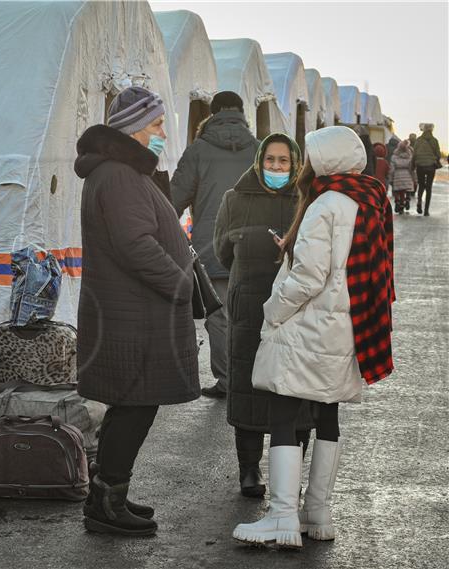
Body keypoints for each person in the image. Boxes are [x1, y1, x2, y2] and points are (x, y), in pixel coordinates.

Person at [232, 126, 395, 549]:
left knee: (283, 412)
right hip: (345, 328)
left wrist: (274, 310)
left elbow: (308, 276)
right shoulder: (371, 199)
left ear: (322, 161)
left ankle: (282, 515)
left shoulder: (326, 204)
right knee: (326, 414)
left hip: (309, 327)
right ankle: (317, 512)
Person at [74, 86, 200, 536]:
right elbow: (135, 244)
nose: (163, 132)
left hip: (132, 312)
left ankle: (109, 495)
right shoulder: (120, 176)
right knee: (135, 406)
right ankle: (108, 504)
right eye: (156, 124)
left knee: (130, 405)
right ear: (132, 128)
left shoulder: (118, 172)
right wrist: (180, 283)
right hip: (137, 315)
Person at [213, 133, 314, 499]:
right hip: (249, 306)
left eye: (283, 161)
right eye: (270, 160)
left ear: (295, 163)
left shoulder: (306, 199)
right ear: (259, 162)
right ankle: (249, 469)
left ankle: (292, 473)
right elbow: (222, 250)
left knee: (295, 388)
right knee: (248, 382)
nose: (276, 167)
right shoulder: (234, 199)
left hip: (295, 307)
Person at [170, 91, 259, 398]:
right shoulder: (260, 150)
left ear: (213, 112)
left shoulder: (199, 150)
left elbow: (174, 201)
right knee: (253, 313)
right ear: (242, 113)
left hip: (212, 245)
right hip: (257, 246)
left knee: (219, 316)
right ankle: (254, 378)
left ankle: (227, 381)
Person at [413, 123, 443, 216]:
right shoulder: (434, 141)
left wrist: (414, 164)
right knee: (429, 188)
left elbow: (414, 153)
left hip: (420, 166)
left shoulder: (418, 140)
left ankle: (419, 203)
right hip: (430, 166)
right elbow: (438, 154)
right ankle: (426, 210)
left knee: (421, 185)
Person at [389, 140, 417, 214]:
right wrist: (414, 178)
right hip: (407, 174)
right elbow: (411, 168)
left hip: (397, 174)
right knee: (405, 190)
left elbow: (392, 168)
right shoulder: (409, 156)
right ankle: (405, 201)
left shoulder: (394, 156)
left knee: (397, 190)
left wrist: (391, 177)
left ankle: (397, 202)